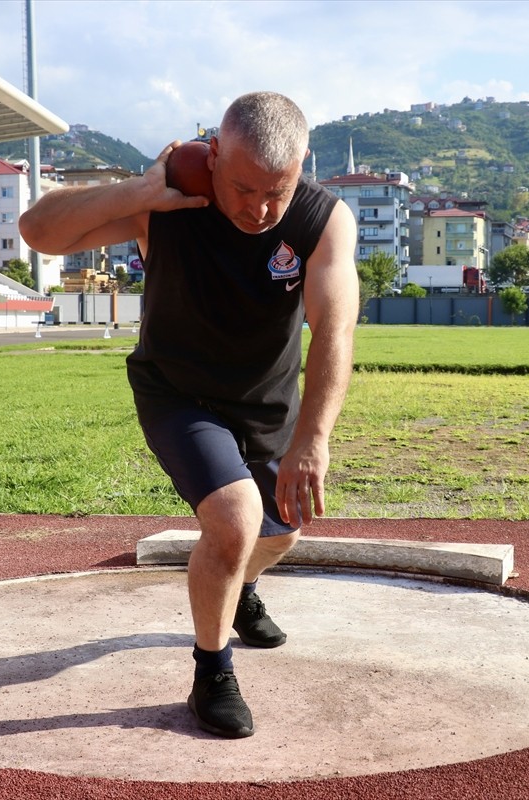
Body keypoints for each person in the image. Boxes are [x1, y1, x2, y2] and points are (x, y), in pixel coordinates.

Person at [19, 91, 359, 739]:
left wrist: (312, 440)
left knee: (279, 535)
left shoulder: (323, 219)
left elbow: (335, 332)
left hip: (266, 402)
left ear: (303, 166)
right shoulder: (170, 201)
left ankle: (240, 588)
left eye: (275, 192)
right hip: (178, 391)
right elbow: (39, 232)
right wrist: (138, 191)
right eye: (241, 187)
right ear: (214, 153)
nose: (258, 209)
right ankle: (213, 673)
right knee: (235, 519)